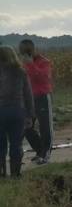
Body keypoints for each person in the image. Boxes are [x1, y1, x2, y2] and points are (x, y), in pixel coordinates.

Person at [0, 45, 35, 178]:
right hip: (17, 111)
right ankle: (15, 174)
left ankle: (2, 174)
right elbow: (28, 95)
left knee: (0, 145)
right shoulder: (21, 72)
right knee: (16, 144)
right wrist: (30, 115)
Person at [19, 39, 54, 165]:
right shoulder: (23, 64)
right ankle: (40, 150)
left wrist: (31, 65)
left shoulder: (44, 62)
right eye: (22, 53)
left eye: (25, 52)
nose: (24, 55)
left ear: (32, 50)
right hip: (29, 99)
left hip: (43, 97)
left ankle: (46, 155)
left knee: (45, 127)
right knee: (26, 127)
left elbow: (42, 78)